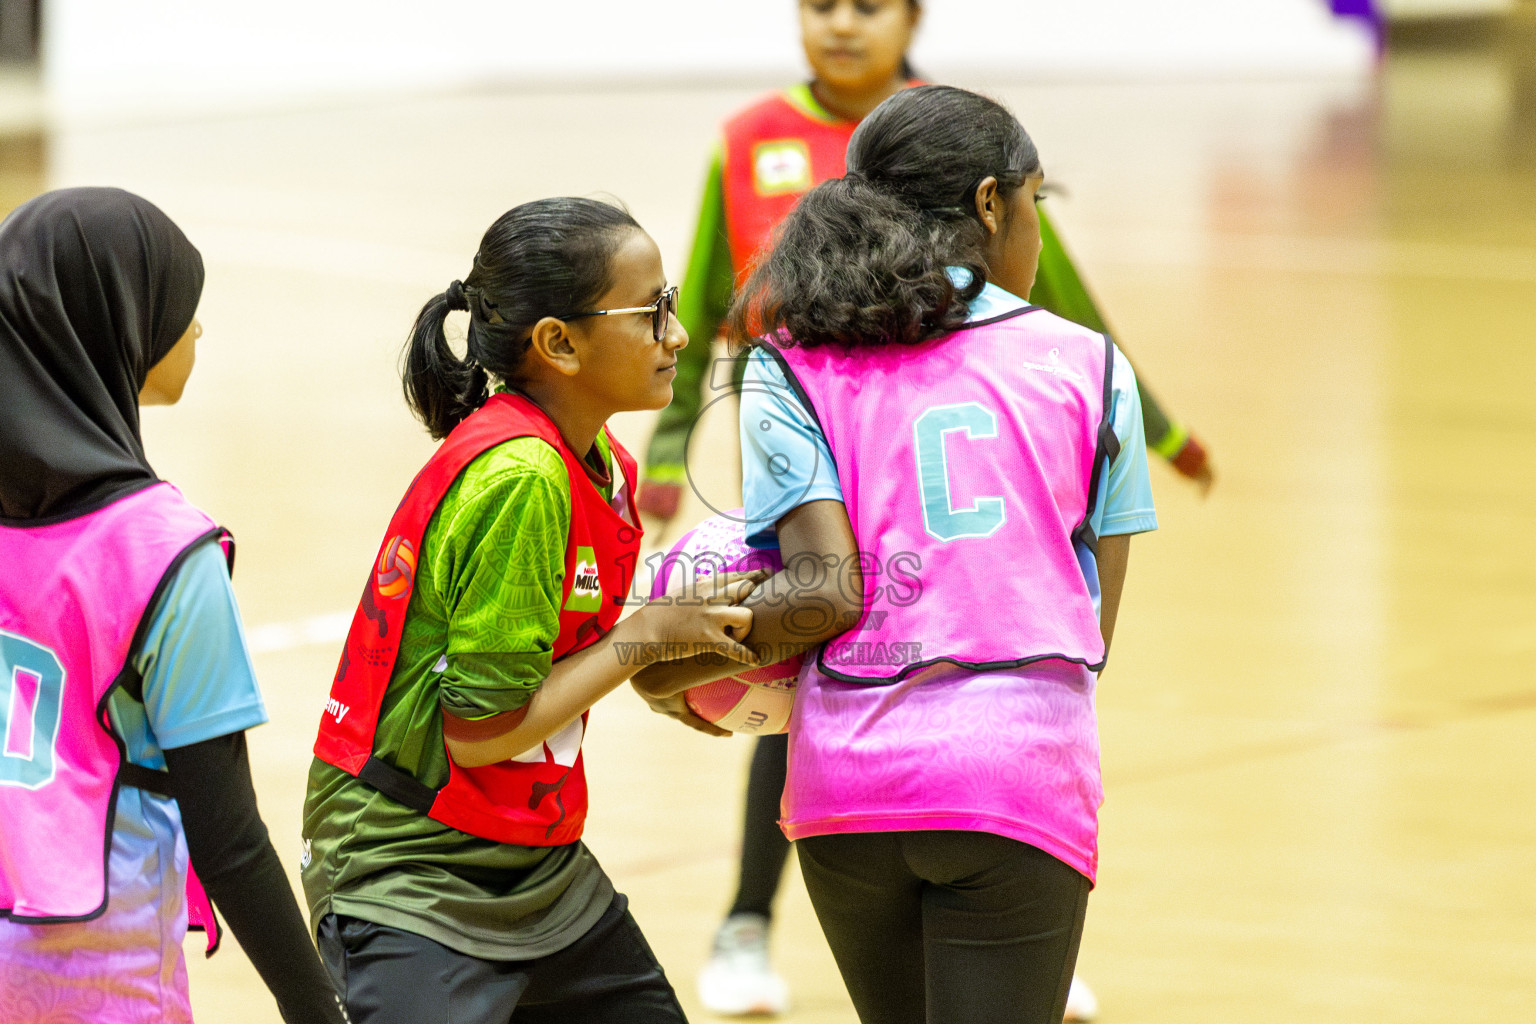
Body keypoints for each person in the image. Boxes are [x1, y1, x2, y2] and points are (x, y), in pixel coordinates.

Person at [652, 1, 1196, 1017]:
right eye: (1034, 201)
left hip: (843, 795)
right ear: (992, 204)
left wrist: (664, 660)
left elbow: (818, 594)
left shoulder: (786, 364)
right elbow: (1091, 631)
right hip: (1015, 785)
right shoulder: (1090, 367)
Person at [301, 197, 764, 1024]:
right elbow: (479, 732)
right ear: (559, 344)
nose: (678, 334)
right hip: (411, 866)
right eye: (651, 311)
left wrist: (664, 666)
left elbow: (564, 654)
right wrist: (644, 641)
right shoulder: (523, 478)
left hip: (532, 856)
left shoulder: (600, 464)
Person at [0, 187, 347, 1023]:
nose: (195, 329)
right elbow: (229, 840)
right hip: (98, 971)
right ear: (113, 324)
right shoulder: (162, 552)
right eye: (174, 306)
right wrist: (318, 1007)